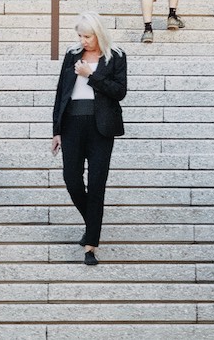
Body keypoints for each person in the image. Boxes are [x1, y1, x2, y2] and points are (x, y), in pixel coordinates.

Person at [51, 13, 127, 266]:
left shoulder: (116, 56)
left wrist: (90, 76)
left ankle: (90, 246)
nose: (82, 40)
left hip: (101, 127)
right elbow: (61, 93)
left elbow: (119, 91)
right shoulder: (72, 55)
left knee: (96, 184)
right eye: (80, 36)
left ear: (99, 34)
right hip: (72, 123)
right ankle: (92, 222)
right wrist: (57, 130)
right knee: (71, 180)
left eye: (87, 36)